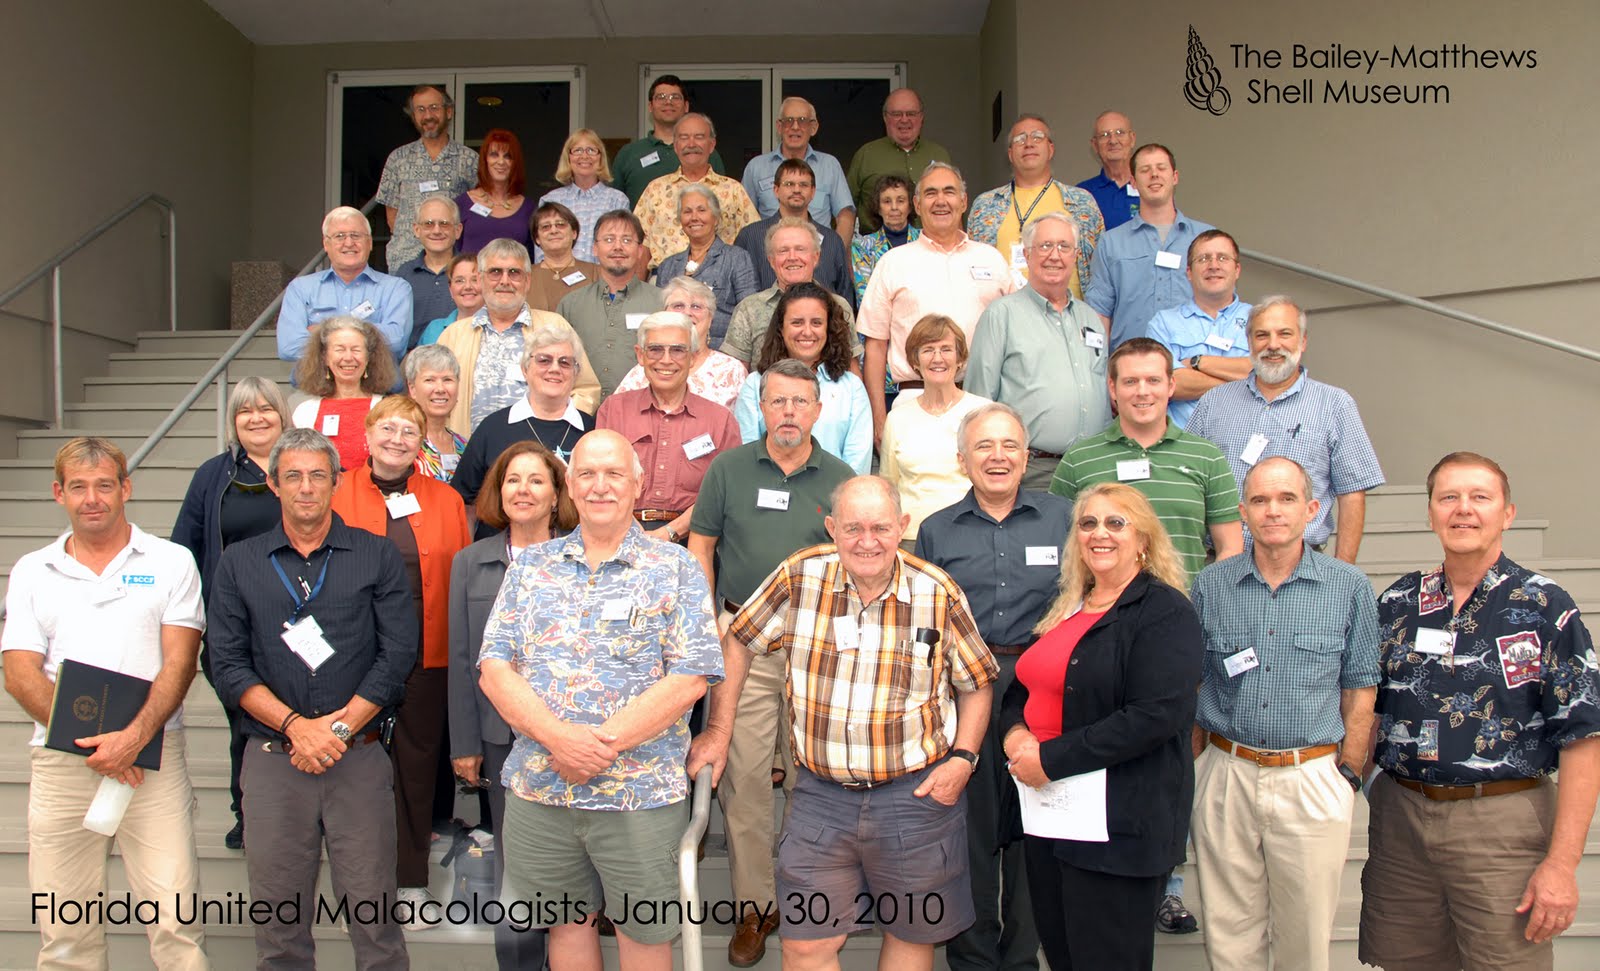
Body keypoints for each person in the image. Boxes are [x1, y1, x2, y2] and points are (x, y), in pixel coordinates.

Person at [696, 475, 999, 969]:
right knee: (805, 944)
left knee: (910, 935)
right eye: (853, 527)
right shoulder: (799, 576)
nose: (867, 541)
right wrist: (719, 730)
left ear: (902, 526)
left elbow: (977, 681)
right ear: (831, 528)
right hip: (820, 800)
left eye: (880, 527)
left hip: (915, 799)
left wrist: (963, 759)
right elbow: (739, 639)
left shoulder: (936, 590)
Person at [479, 429, 722, 969]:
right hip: (543, 790)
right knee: (566, 927)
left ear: (637, 484)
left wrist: (596, 747)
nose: (600, 486)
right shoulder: (530, 568)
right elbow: (495, 669)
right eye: (587, 474)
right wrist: (560, 740)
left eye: (614, 474)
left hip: (639, 796)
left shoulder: (676, 568)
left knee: (645, 936)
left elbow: (690, 677)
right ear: (570, 483)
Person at [1360, 452, 1600, 971]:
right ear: (1430, 513)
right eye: (1448, 497)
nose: (1463, 510)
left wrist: (1561, 865)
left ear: (1507, 513)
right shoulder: (1398, 601)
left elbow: (1583, 737)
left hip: (1502, 824)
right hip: (1402, 821)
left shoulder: (1545, 606)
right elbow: (1368, 709)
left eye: (1479, 497)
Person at [207, 428, 417, 969]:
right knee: (279, 932)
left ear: (336, 482)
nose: (306, 488)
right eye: (293, 476)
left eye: (317, 476)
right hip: (276, 760)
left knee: (376, 925)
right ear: (274, 485)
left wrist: (338, 730)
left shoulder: (376, 555)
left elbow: (397, 657)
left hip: (359, 757)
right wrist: (299, 727)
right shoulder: (238, 563)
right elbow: (226, 664)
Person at [3, 437, 207, 970]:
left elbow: (181, 662)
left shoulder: (171, 561)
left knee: (175, 922)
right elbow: (20, 670)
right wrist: (90, 740)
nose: (92, 498)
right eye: (78, 487)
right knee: (66, 931)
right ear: (58, 494)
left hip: (153, 761)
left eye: (104, 485)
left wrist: (132, 740)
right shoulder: (32, 569)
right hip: (61, 763)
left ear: (125, 488)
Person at [684, 357, 855, 966]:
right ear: (760, 406)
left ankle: (813, 900)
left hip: (816, 648)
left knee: (813, 780)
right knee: (747, 778)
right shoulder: (728, 468)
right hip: (742, 644)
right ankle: (753, 907)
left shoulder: (839, 478)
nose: (787, 413)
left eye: (799, 403)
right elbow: (701, 545)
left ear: (817, 409)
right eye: (777, 401)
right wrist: (707, 619)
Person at [1001, 482, 1204, 970]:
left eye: (1116, 523)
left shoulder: (1164, 611)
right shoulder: (1067, 608)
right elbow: (1020, 690)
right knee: (1064, 956)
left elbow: (1156, 716)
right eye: (1088, 523)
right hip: (1052, 820)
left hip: (1119, 828)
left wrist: (1048, 759)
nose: (1100, 533)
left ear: (1144, 540)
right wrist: (1015, 735)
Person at [1190, 456, 1380, 971]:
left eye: (1286, 499)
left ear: (1312, 509)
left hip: (1313, 776)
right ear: (1242, 512)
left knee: (1305, 938)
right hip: (1226, 774)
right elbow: (1195, 682)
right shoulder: (1210, 587)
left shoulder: (1349, 587)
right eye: (1260, 500)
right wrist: (1196, 769)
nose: (1272, 511)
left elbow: (1361, 687)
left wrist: (1349, 771)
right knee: (1229, 936)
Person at [916, 403, 1069, 971]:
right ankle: (974, 959)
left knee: (1037, 831)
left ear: (1027, 457)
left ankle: (1023, 958)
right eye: (984, 446)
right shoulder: (935, 531)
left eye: (1009, 445)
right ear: (962, 460)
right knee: (968, 835)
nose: (998, 456)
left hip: (1044, 687)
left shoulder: (1065, 520)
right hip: (964, 692)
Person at [331, 395, 471, 923]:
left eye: (409, 432)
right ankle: (361, 885)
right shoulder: (337, 492)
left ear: (422, 442)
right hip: (354, 655)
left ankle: (410, 883)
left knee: (414, 768)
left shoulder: (445, 500)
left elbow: (455, 583)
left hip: (426, 652)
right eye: (387, 429)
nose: (396, 439)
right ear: (366, 435)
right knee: (356, 774)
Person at [449, 440, 578, 971]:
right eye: (512, 481)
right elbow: (462, 658)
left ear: (556, 496)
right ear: (497, 494)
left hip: (574, 737)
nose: (522, 490)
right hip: (502, 741)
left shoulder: (580, 554)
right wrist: (464, 744)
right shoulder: (470, 562)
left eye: (536, 480)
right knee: (516, 868)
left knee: (573, 864)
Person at [171, 376, 290, 851]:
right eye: (245, 411)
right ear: (233, 422)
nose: (257, 418)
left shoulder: (306, 466)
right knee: (244, 721)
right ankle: (248, 810)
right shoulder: (212, 475)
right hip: (232, 624)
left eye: (266, 408)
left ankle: (306, 808)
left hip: (301, 621)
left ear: (283, 415)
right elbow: (184, 547)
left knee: (301, 714)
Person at [1187, 296, 1385, 562]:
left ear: (1302, 342)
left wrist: (1343, 573)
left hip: (1304, 565)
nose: (1273, 345)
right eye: (1261, 335)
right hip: (1221, 564)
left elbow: (1351, 494)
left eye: (1284, 334)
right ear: (1249, 343)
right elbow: (1188, 483)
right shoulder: (1213, 402)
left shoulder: (1335, 404)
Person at [1049, 337, 1242, 580]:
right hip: (1101, 613)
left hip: (1185, 608)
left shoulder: (1207, 457)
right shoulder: (1078, 460)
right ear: (1112, 387)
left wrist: (1205, 602)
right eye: (1131, 381)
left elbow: (1231, 548)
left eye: (1153, 380)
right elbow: (1056, 544)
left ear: (1171, 385)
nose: (1142, 391)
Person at [859, 161, 1012, 442]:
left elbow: (1016, 336)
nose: (940, 201)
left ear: (964, 201)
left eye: (949, 192)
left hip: (982, 400)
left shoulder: (991, 259)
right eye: (930, 193)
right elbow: (875, 345)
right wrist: (879, 420)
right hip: (913, 402)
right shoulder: (893, 262)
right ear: (917, 204)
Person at [967, 211, 1111, 492]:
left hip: (1092, 469)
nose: (1054, 255)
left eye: (1064, 247)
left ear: (1075, 256)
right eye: (1045, 246)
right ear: (1027, 254)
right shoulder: (1002, 315)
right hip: (1032, 471)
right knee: (1039, 539)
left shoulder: (1090, 319)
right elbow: (979, 402)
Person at [596, 312, 741, 544]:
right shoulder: (614, 410)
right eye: (655, 349)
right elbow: (598, 480)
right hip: (619, 534)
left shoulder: (720, 421)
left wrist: (669, 532)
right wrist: (633, 533)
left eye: (677, 350)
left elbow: (726, 493)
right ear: (640, 355)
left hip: (693, 540)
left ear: (692, 358)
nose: (665, 360)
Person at [436, 238, 601, 433]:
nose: (504, 281)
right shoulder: (453, 335)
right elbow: (435, 396)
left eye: (514, 273)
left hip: (539, 454)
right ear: (480, 280)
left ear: (527, 281)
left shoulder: (555, 326)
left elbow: (586, 389)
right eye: (495, 272)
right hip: (469, 453)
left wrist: (558, 430)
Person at [453, 320, 596, 513]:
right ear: (525, 369)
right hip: (501, 541)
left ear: (576, 373)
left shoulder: (591, 432)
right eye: (544, 360)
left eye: (565, 362)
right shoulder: (493, 428)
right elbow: (464, 501)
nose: (555, 369)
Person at [1084, 144, 1215, 348]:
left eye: (1161, 168)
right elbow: (1098, 315)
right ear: (1133, 182)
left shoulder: (1206, 239)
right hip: (1131, 367)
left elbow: (1223, 306)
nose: (1154, 175)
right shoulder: (1111, 243)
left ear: (1175, 177)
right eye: (1145, 170)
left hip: (1193, 367)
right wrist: (1098, 370)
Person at [735, 281, 872, 474]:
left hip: (833, 499)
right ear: (781, 329)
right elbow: (746, 456)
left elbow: (857, 463)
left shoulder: (851, 388)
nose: (807, 332)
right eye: (797, 322)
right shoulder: (755, 384)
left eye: (816, 323)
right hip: (769, 497)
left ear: (828, 329)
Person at [879, 314, 992, 546]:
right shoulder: (897, 418)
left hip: (973, 533)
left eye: (946, 349)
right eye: (928, 349)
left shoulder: (983, 412)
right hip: (913, 538)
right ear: (915, 361)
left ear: (960, 359)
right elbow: (889, 486)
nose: (937, 358)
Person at [968, 114, 1103, 298]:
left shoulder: (1082, 203)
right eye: (1020, 139)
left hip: (1067, 318)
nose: (1029, 143)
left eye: (1037, 137)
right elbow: (972, 268)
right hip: (1004, 319)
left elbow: (1101, 270)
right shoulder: (985, 206)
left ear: (1051, 149)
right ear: (1010, 154)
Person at [276, 206, 412, 368]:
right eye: (340, 236)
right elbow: (288, 347)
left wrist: (322, 331)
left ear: (369, 243)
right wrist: (367, 334)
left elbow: (396, 341)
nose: (349, 243)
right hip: (314, 389)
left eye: (356, 235)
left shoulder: (396, 288)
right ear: (326, 244)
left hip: (378, 389)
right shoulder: (301, 289)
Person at [1145, 229, 1252, 429]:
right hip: (1184, 444)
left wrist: (1198, 363)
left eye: (1222, 258)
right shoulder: (1163, 324)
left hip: (1244, 438)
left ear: (1237, 270)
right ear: (1189, 273)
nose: (1213, 265)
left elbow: (1268, 374)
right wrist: (1243, 381)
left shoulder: (1259, 320)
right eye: (1203, 259)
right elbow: (1166, 384)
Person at [722, 219, 857, 371]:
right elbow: (735, 373)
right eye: (783, 251)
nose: (792, 257)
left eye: (800, 249)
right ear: (771, 261)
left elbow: (851, 367)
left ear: (816, 257)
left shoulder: (839, 306)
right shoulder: (749, 309)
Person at [556, 209, 666, 396]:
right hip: (582, 411)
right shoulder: (571, 305)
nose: (617, 247)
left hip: (643, 411)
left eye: (626, 240)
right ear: (595, 248)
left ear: (640, 250)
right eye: (608, 239)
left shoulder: (662, 303)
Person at [635, 113, 758, 271]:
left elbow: (752, 241)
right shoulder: (655, 190)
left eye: (699, 137)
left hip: (720, 282)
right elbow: (640, 246)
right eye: (684, 137)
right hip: (664, 282)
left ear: (712, 144)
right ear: (675, 145)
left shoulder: (733, 190)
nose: (691, 144)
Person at [376, 83, 478, 268]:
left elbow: (478, 210)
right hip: (405, 260)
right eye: (420, 109)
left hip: (453, 264)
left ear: (448, 112)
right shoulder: (398, 158)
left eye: (434, 108)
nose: (428, 115)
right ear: (413, 116)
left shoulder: (469, 159)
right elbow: (392, 216)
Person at [732, 157, 855, 308]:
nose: (796, 190)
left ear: (813, 192)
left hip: (821, 327)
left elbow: (845, 295)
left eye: (803, 185)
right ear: (776, 190)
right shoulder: (750, 236)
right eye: (789, 184)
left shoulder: (832, 240)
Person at [615, 276, 747, 409]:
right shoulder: (645, 370)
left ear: (710, 318)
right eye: (678, 306)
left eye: (696, 306)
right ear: (664, 312)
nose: (687, 312)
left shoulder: (731, 370)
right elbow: (617, 414)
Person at [655, 183, 758, 347]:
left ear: (716, 217)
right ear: (680, 220)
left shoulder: (736, 258)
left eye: (701, 210)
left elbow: (750, 313)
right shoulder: (668, 266)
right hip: (675, 350)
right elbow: (660, 316)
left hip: (722, 351)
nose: (694, 217)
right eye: (687, 211)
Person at [289, 315, 393, 471]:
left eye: (356, 350)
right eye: (340, 349)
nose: (348, 357)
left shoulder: (387, 409)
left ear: (368, 357)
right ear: (324, 357)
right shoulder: (304, 412)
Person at [743, 96, 856, 239]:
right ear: (779, 127)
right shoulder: (756, 167)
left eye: (802, 121)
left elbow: (845, 216)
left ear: (813, 128)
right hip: (768, 255)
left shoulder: (830, 165)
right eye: (789, 120)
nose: (795, 127)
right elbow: (743, 218)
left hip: (818, 256)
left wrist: (834, 251)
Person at [613, 74, 729, 207]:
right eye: (661, 97)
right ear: (650, 106)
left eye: (675, 97)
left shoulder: (706, 152)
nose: (668, 102)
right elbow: (615, 206)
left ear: (686, 106)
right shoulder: (629, 153)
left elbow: (723, 199)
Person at [846, 88, 952, 233]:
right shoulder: (866, 154)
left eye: (911, 114)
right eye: (896, 114)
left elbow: (954, 206)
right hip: (876, 250)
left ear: (921, 117)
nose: (904, 119)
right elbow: (846, 209)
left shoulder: (939, 154)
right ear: (885, 118)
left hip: (933, 247)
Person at [538, 127, 630, 263]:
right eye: (577, 150)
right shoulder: (551, 201)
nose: (584, 156)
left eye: (591, 150)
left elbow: (622, 249)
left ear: (600, 157)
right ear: (568, 158)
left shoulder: (617, 201)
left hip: (603, 280)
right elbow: (541, 251)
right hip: (560, 279)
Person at [392, 193, 464, 352]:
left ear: (458, 230)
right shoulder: (404, 275)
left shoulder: (472, 272)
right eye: (429, 224)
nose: (436, 230)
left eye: (444, 223)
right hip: (414, 363)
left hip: (463, 359)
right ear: (416, 230)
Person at [457, 128, 533, 255]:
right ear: (484, 160)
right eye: (494, 155)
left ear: (515, 163)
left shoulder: (528, 208)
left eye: (508, 156)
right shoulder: (462, 203)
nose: (501, 162)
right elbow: (451, 253)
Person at [850, 174, 919, 305]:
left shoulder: (925, 240)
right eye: (887, 201)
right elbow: (865, 298)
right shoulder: (862, 246)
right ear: (878, 207)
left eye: (900, 201)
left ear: (910, 206)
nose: (894, 207)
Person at [403, 343, 466, 482]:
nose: (440, 389)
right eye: (429, 380)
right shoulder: (400, 441)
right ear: (412, 388)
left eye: (447, 380)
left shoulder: (465, 446)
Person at [527, 201, 600, 313]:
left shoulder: (596, 273)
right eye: (546, 227)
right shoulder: (525, 275)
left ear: (574, 233)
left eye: (560, 224)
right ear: (537, 238)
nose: (554, 230)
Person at [1076, 111, 1139, 231]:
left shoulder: (1150, 186)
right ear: (1095, 145)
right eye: (1104, 135)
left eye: (1120, 133)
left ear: (1132, 139)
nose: (1113, 141)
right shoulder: (1082, 194)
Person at [417, 251, 483, 346]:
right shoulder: (434, 329)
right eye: (459, 280)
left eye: (475, 280)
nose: (468, 286)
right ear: (450, 289)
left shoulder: (498, 327)